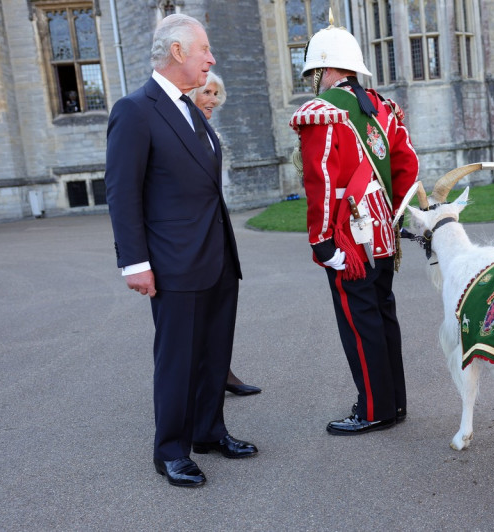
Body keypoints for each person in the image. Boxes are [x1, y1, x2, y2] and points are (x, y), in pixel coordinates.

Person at [104, 14, 257, 488]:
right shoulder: (135, 109)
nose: (211, 58)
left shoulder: (191, 109)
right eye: (204, 50)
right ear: (177, 53)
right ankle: (170, 450)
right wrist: (135, 262)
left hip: (216, 258)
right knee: (178, 359)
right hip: (173, 263)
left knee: (214, 353)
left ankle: (210, 432)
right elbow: (121, 191)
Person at [289, 20, 419, 435]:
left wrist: (321, 240)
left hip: (347, 231)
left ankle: (374, 409)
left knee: (359, 320)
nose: (314, 81)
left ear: (324, 69)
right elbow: (406, 168)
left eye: (314, 73)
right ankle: (393, 403)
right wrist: (392, 218)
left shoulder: (322, 111)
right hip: (380, 227)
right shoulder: (384, 107)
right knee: (382, 313)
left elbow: (321, 181)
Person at [188, 71, 262, 397]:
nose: (214, 100)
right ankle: (201, 384)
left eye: (217, 93)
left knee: (221, 312)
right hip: (191, 242)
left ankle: (223, 373)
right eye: (207, 92)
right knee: (196, 317)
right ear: (191, 93)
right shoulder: (180, 132)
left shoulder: (207, 131)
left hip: (217, 236)